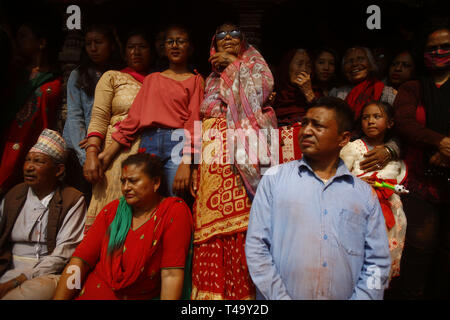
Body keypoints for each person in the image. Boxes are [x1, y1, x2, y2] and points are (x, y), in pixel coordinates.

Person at [245, 96, 391, 300]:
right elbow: (256, 247)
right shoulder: (274, 180)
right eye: (305, 123)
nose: (305, 131)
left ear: (343, 138)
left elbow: (378, 261)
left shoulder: (363, 194)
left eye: (318, 125)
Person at [190, 23, 276, 300]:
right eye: (221, 35)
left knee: (242, 221)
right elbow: (200, 118)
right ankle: (211, 296)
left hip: (243, 153)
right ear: (213, 43)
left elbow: (260, 96)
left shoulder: (256, 66)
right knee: (210, 221)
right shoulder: (207, 79)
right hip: (211, 153)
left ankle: (245, 297)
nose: (228, 38)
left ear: (244, 41)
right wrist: (194, 165)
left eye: (234, 34)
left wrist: (235, 65)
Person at [53, 153, 193, 300]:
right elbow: (79, 263)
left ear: (156, 182)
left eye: (133, 181)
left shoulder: (173, 212)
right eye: (123, 181)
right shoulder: (113, 211)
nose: (126, 188)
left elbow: (171, 273)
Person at [99, 25, 204, 197]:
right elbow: (133, 120)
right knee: (143, 198)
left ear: (191, 48)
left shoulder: (195, 81)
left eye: (181, 41)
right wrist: (108, 153)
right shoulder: (152, 79)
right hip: (149, 141)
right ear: (163, 48)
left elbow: (195, 123)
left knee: (175, 197)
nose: (175, 46)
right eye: (170, 42)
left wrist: (187, 162)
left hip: (177, 142)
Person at [393, 24, 450, 299]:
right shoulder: (412, 87)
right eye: (431, 49)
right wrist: (440, 142)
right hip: (420, 181)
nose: (438, 53)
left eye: (445, 47)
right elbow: (404, 123)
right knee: (418, 249)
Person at [0, 129, 86, 300]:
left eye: (38, 161)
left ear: (58, 170)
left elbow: (64, 253)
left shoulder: (72, 199)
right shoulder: (14, 195)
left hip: (49, 274)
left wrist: (20, 280)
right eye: (27, 160)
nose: (29, 167)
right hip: (9, 268)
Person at [82, 29, 152, 229]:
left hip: (148, 153)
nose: (136, 52)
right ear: (124, 53)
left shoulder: (159, 81)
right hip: (114, 157)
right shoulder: (112, 77)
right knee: (111, 216)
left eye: (142, 47)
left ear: (153, 51)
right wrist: (92, 153)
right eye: (131, 47)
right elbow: (99, 118)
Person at [340, 101, 407, 281]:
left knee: (384, 251)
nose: (370, 121)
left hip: (389, 209)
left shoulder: (395, 153)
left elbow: (399, 177)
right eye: (365, 117)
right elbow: (338, 175)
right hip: (359, 207)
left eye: (377, 116)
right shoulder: (353, 147)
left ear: (390, 123)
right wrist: (358, 182)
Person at [0, 20, 62, 195]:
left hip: (34, 146)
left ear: (41, 43)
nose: (19, 42)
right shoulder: (13, 75)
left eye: (24, 36)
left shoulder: (54, 79)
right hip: (7, 143)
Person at [62, 24, 122, 202]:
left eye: (99, 42)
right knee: (82, 199)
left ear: (111, 45)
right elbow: (74, 116)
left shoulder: (121, 74)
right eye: (88, 44)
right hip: (81, 149)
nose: (93, 48)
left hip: (111, 147)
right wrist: (87, 156)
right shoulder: (78, 75)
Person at [330, 46, 401, 176]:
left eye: (360, 59)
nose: (355, 64)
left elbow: (402, 131)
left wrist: (389, 150)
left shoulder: (388, 93)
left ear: (371, 64)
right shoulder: (336, 94)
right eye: (350, 61)